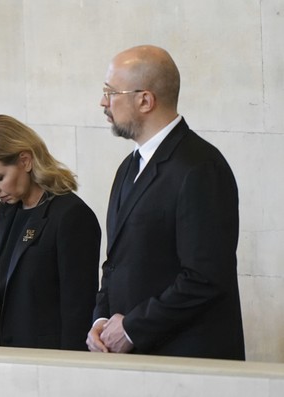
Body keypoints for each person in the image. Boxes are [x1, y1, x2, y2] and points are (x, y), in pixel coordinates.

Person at [86, 45, 245, 360]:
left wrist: (132, 327)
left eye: (111, 92)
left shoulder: (199, 167)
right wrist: (102, 320)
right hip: (135, 359)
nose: (103, 102)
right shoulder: (129, 166)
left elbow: (205, 278)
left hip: (185, 361)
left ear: (145, 100)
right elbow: (116, 262)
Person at [0, 115, 101, 350]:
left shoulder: (71, 216)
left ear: (25, 161)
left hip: (50, 365)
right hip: (7, 361)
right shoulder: (5, 212)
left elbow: (77, 313)